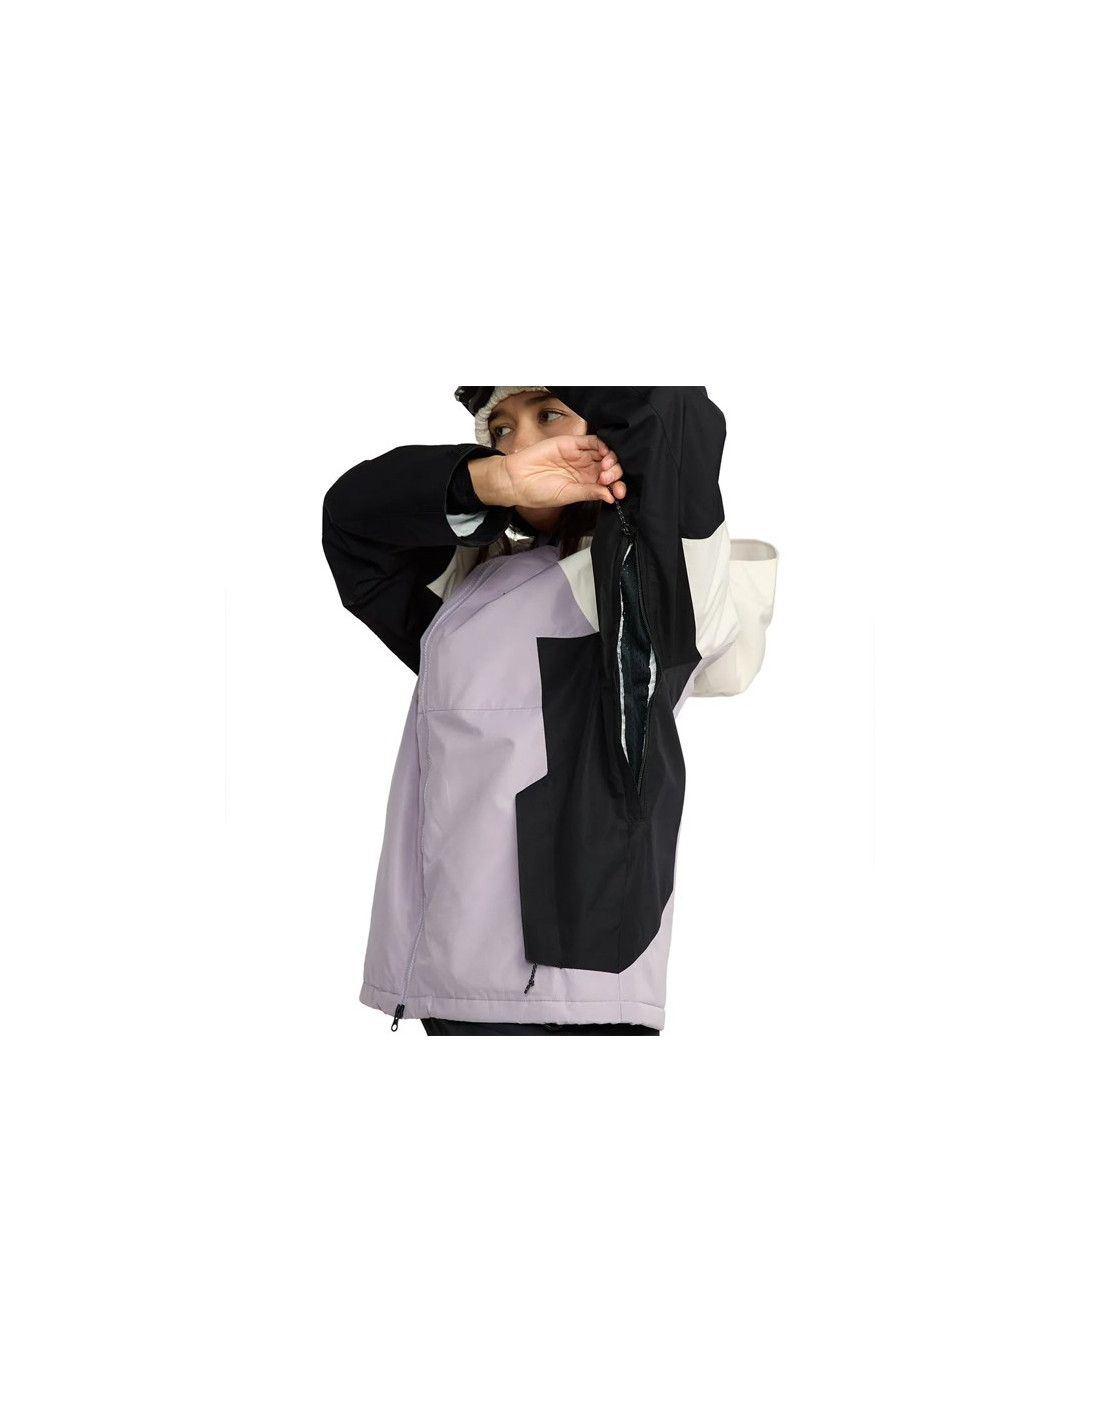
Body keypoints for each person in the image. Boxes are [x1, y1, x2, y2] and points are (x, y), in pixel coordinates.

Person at [321, 387, 779, 1035]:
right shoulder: (468, 582)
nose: (520, 442)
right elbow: (351, 521)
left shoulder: (651, 578)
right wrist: (493, 482)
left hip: (570, 985)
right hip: (446, 975)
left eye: (549, 414)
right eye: (501, 429)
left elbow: (664, 405)